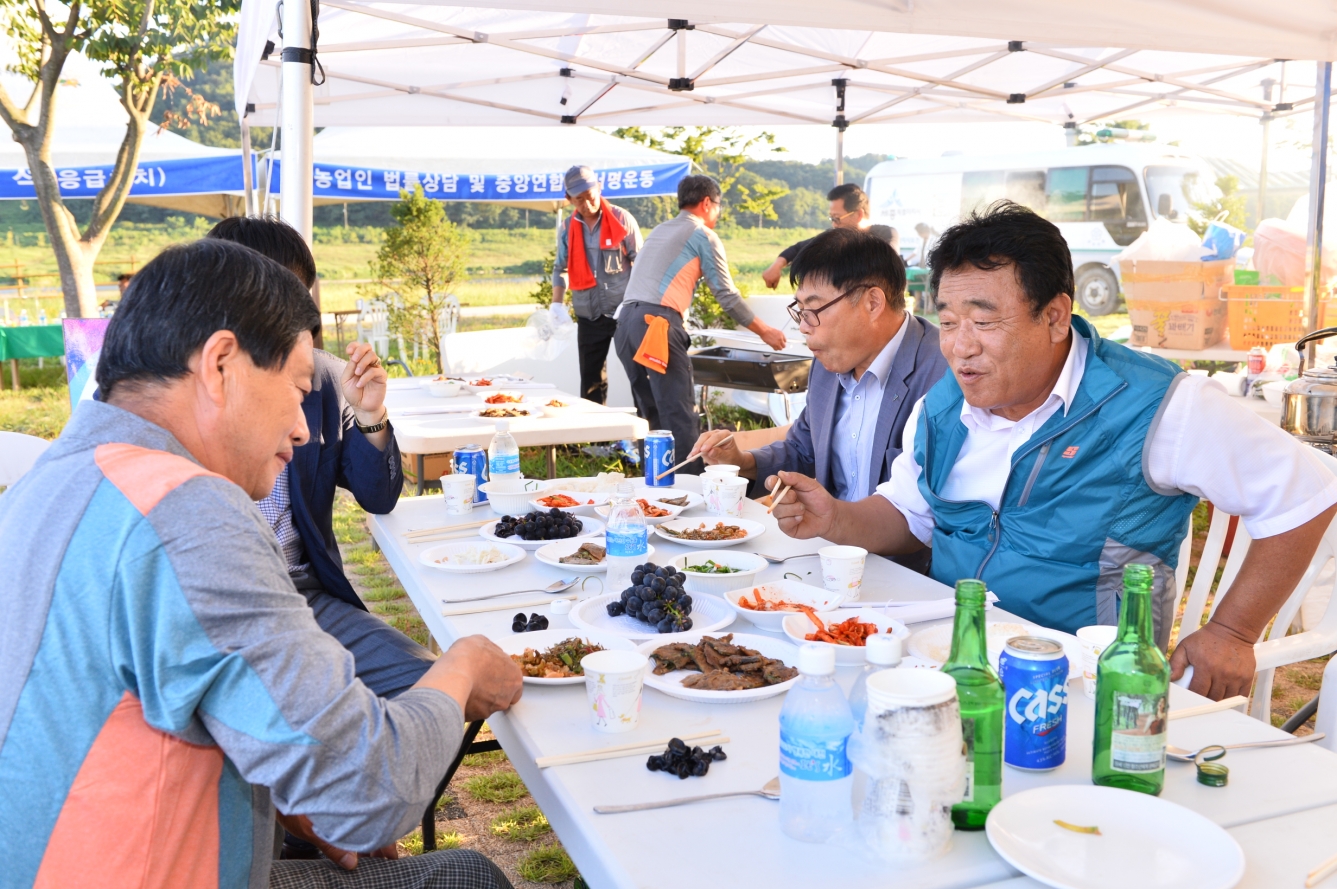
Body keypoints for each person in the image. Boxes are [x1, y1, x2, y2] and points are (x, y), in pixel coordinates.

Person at [0, 238, 521, 888]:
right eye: (299, 389)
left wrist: (288, 801)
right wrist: (462, 665)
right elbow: (369, 788)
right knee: (464, 876)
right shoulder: (186, 508)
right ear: (220, 364)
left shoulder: (48, 481)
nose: (304, 429)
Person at [770, 200, 1337, 701]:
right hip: (947, 668)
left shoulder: (1160, 404)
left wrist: (1232, 632)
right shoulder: (942, 408)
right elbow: (909, 516)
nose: (960, 348)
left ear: (1056, 315)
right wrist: (837, 517)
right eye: (946, 322)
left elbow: (1308, 493)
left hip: (1084, 687)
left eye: (984, 321)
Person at [692, 228, 948, 506]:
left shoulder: (943, 371)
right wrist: (742, 461)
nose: (802, 327)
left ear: (872, 303)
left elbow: (932, 509)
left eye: (813, 310)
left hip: (890, 549)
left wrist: (835, 523)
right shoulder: (829, 364)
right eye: (800, 310)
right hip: (829, 545)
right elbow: (804, 451)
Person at [614, 175, 787, 469]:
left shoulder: (659, 230)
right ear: (707, 203)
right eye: (718, 206)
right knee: (678, 414)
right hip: (656, 325)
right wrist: (765, 331)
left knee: (651, 413)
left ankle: (655, 485)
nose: (717, 214)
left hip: (626, 323)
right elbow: (727, 295)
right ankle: (690, 490)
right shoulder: (701, 234)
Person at [551, 165, 642, 405]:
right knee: (591, 382)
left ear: (598, 188)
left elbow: (640, 264)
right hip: (588, 314)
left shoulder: (621, 219)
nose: (586, 204)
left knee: (639, 376)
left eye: (589, 196)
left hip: (624, 313)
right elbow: (560, 268)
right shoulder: (568, 227)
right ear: (568, 199)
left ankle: (647, 435)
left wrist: (634, 303)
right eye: (578, 199)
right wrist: (556, 305)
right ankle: (596, 441)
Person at [761, 183, 898, 289]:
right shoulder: (834, 238)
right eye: (831, 218)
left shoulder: (885, 235)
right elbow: (798, 249)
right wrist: (776, 266)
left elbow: (886, 262)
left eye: (837, 218)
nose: (834, 224)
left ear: (858, 214)